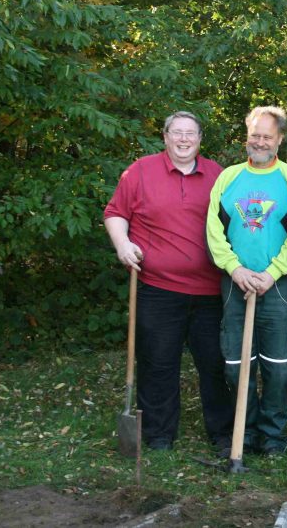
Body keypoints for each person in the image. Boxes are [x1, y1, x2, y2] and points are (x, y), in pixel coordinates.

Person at [104, 111, 234, 453]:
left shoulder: (218, 175)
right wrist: (123, 244)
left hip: (211, 290)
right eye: (176, 132)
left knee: (216, 364)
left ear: (200, 139)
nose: (183, 139)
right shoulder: (141, 172)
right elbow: (115, 213)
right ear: (164, 137)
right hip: (158, 288)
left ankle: (224, 434)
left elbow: (236, 222)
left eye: (190, 133)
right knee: (158, 362)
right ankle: (159, 434)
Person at [206, 106, 287, 456]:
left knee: (277, 367)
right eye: (255, 134)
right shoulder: (228, 178)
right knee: (236, 366)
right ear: (246, 136)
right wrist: (235, 269)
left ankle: (273, 435)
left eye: (267, 136)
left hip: (278, 286)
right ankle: (243, 433)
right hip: (236, 283)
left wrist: (271, 273)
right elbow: (214, 231)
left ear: (279, 139)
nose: (260, 141)